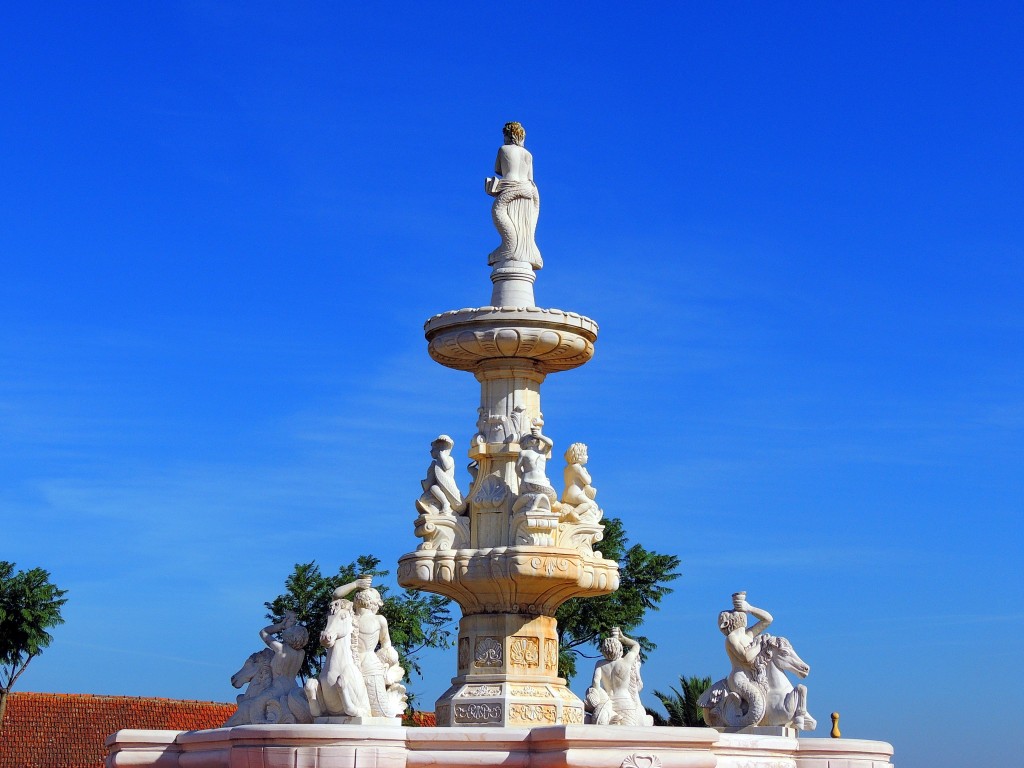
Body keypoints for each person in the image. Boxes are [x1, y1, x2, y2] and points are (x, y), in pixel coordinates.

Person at [486, 121, 542, 268]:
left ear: (507, 136)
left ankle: (510, 249)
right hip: (527, 193)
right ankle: (518, 249)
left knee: (500, 214)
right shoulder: (528, 155)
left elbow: (499, 170)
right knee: (523, 228)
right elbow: (530, 177)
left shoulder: (503, 149)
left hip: (509, 188)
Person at [585, 628, 651, 726]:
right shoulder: (626, 661)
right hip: (625, 704)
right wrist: (622, 637)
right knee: (629, 735)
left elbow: (595, 683)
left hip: (609, 704)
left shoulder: (600, 664)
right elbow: (636, 646)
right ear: (620, 649)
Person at [719, 592, 773, 705]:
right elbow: (745, 657)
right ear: (728, 622)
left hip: (753, 677)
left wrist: (750, 608)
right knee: (757, 701)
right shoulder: (731, 638)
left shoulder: (748, 635)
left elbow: (768, 619)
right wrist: (760, 643)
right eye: (732, 612)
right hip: (739, 679)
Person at [259, 610, 309, 698]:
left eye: (292, 629)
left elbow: (263, 632)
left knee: (254, 704)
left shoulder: (280, 649)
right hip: (293, 686)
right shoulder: (301, 653)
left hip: (277, 687)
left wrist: (280, 626)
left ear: (290, 636)